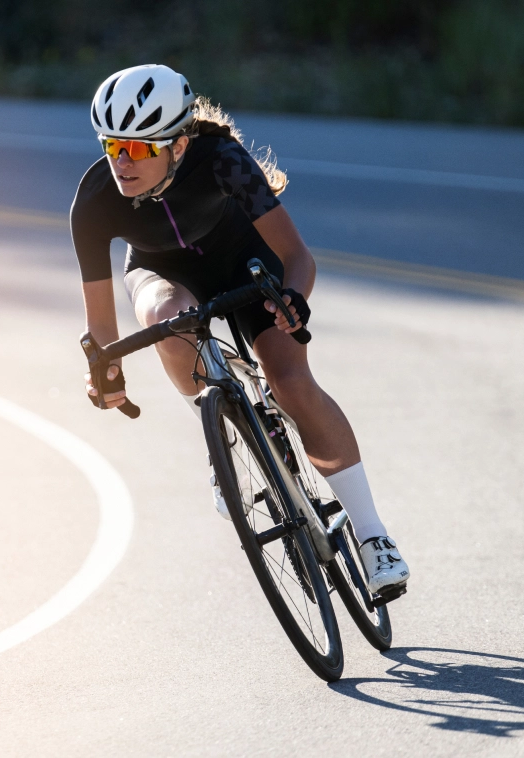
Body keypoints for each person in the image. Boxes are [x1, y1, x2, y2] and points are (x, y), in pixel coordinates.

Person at [70, 64, 409, 595]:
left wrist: (294, 299)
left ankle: (372, 535)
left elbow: (297, 257)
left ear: (178, 146)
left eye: (138, 149)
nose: (121, 162)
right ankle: (219, 431)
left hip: (244, 258)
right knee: (167, 320)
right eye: (113, 146)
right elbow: (102, 335)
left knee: (290, 381)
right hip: (162, 273)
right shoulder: (93, 201)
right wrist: (105, 370)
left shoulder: (223, 161)